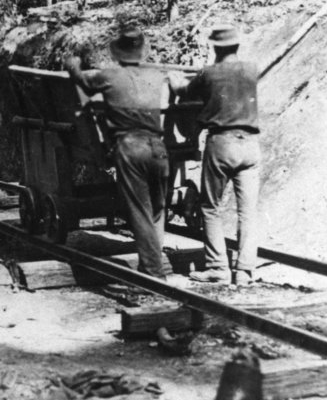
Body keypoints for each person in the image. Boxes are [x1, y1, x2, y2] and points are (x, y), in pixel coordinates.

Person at [65, 28, 182, 284]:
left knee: (140, 212)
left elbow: (83, 81)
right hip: (158, 148)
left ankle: (153, 276)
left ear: (119, 54)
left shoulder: (109, 76)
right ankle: (151, 263)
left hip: (131, 148)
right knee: (157, 211)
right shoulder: (155, 75)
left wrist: (73, 65)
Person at [175, 24, 261, 287]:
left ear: (215, 47)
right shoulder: (251, 70)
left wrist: (174, 80)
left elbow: (184, 94)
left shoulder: (208, 74)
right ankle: (245, 271)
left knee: (210, 208)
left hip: (221, 143)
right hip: (250, 145)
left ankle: (217, 268)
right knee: (248, 212)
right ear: (237, 45)